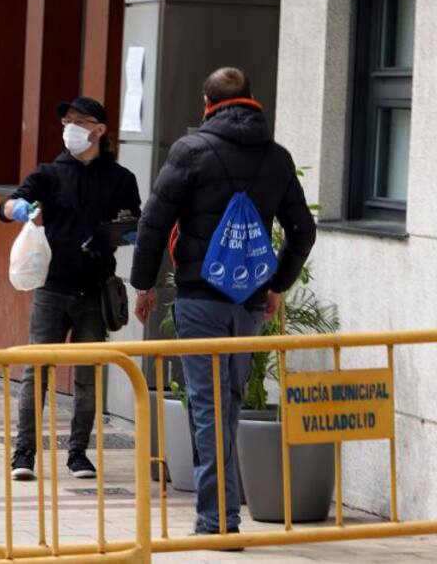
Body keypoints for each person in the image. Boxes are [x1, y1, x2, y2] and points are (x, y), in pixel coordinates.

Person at [131, 67, 316, 538]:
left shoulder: (190, 151)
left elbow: (154, 222)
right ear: (252, 99)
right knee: (226, 403)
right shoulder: (277, 157)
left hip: (200, 298)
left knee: (207, 407)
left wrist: (144, 284)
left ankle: (217, 520)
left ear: (207, 103)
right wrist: (277, 284)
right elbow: (303, 230)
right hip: (249, 301)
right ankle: (222, 511)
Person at [0, 97, 141, 481]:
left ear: (99, 130)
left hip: (95, 290)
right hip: (52, 287)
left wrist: (123, 234)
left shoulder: (121, 179)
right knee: (37, 371)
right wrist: (17, 209)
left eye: (79, 121)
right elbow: (9, 204)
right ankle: (24, 452)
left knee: (88, 376)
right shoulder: (49, 174)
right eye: (67, 121)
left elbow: (135, 224)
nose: (70, 127)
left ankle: (78, 453)